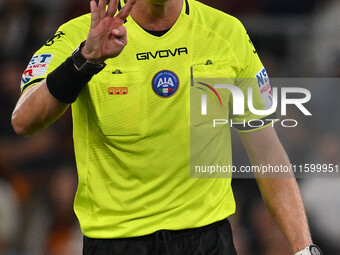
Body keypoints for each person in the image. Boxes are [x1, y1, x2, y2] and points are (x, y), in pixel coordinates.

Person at [11, 0, 322, 254]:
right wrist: (85, 60)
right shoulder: (80, 35)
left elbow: (267, 152)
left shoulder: (226, 33)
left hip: (207, 241)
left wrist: (303, 249)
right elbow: (24, 120)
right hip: (116, 241)